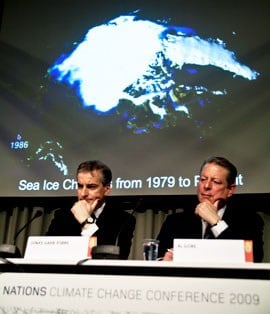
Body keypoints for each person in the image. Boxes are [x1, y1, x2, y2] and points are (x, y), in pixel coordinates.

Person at [157, 156, 264, 262]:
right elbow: (156, 258)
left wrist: (216, 222)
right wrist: (164, 262)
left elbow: (254, 259)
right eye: (203, 179)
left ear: (230, 189)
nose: (206, 186)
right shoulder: (174, 222)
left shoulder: (250, 221)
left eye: (216, 181)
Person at [46, 160, 136, 259]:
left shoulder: (123, 220)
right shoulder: (63, 216)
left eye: (91, 187)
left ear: (106, 189)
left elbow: (116, 258)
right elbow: (45, 253)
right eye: (80, 186)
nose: (83, 193)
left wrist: (87, 222)